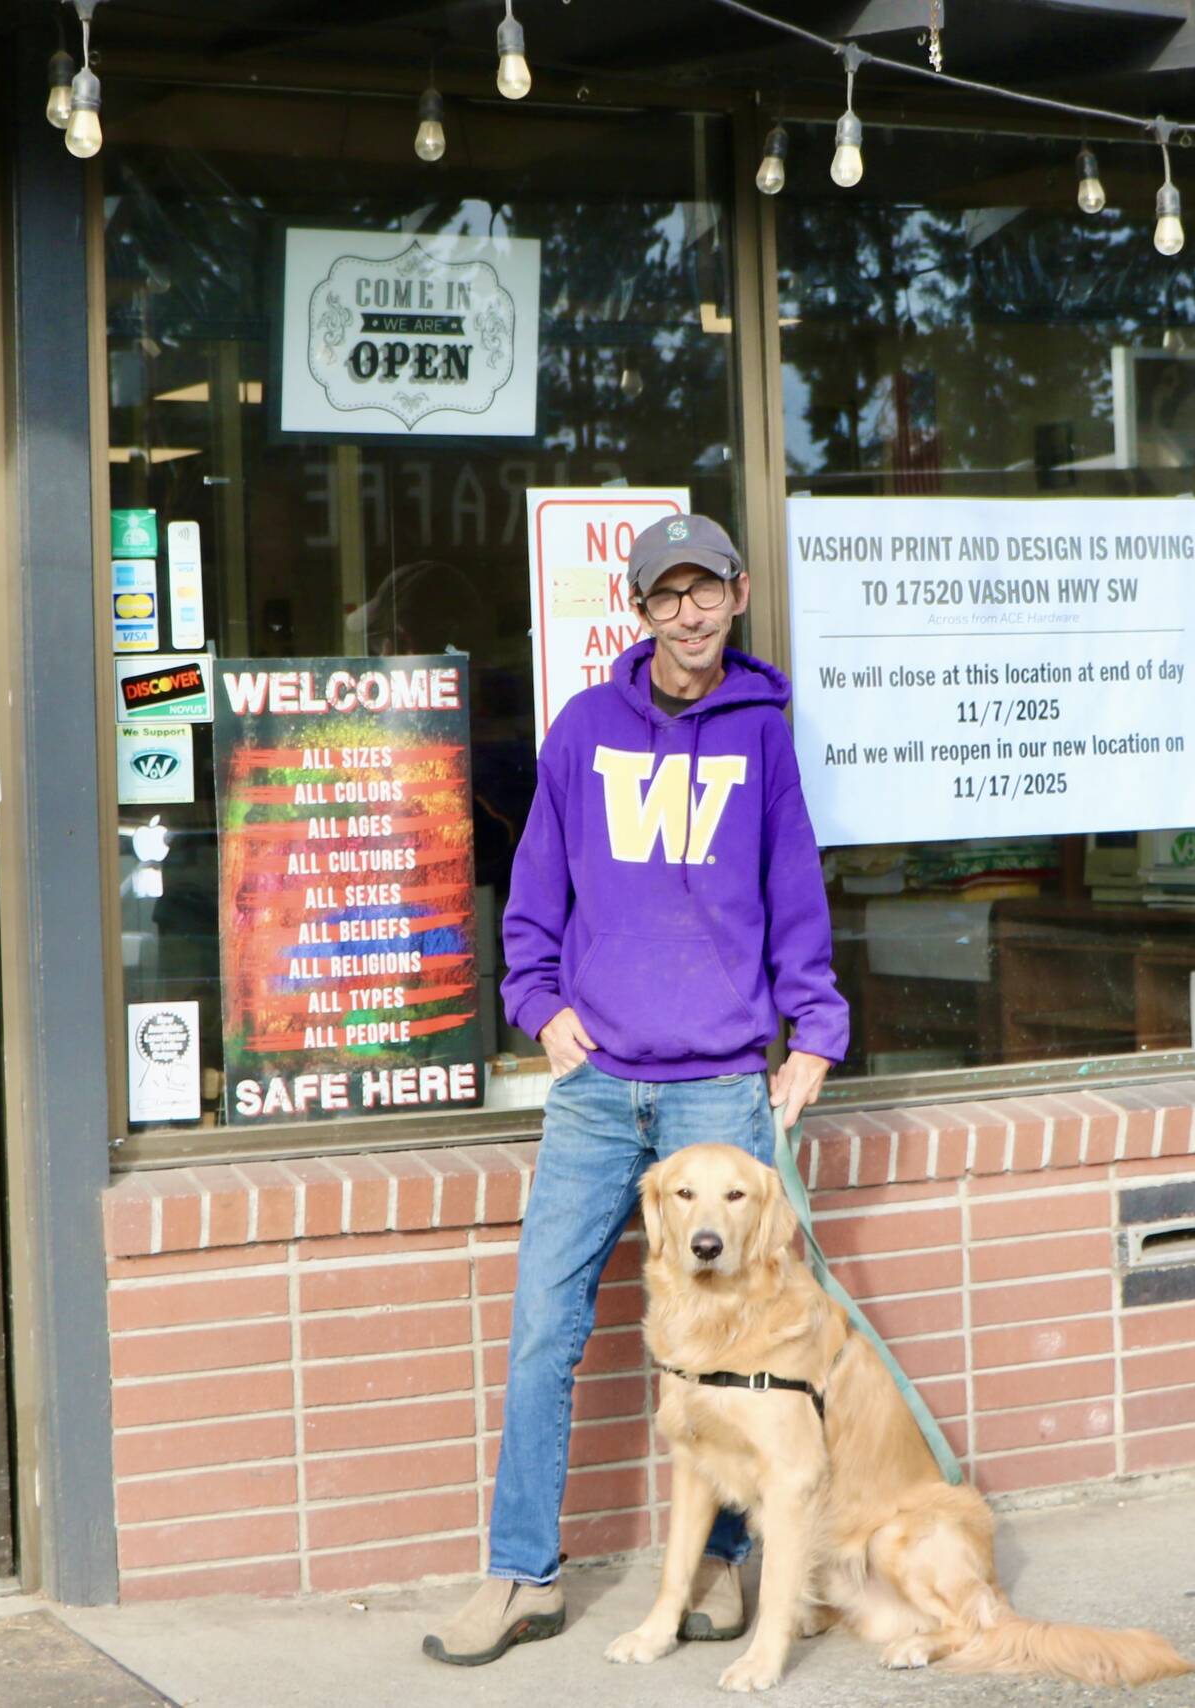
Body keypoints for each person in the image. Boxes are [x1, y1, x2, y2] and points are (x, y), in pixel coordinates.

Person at [422, 512, 849, 1667]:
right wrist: (541, 1008)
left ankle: (716, 1565)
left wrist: (810, 1031)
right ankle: (522, 1576)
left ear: (737, 592)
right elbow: (532, 895)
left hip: (719, 1089)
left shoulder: (762, 736)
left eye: (703, 590)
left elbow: (793, 893)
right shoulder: (581, 730)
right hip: (599, 1087)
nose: (687, 613)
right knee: (541, 1331)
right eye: (664, 596)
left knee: (734, 1338)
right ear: (639, 610)